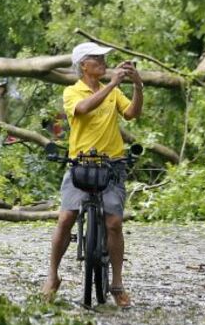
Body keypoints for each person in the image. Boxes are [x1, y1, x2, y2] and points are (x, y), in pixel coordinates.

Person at [43, 41, 143, 308]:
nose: (102, 62)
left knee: (114, 223)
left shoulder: (113, 92)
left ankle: (117, 283)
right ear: (83, 65)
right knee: (65, 218)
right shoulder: (72, 91)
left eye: (103, 58)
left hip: (112, 165)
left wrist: (137, 85)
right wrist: (112, 84)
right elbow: (83, 109)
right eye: (96, 58)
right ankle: (52, 276)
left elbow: (132, 113)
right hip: (81, 164)